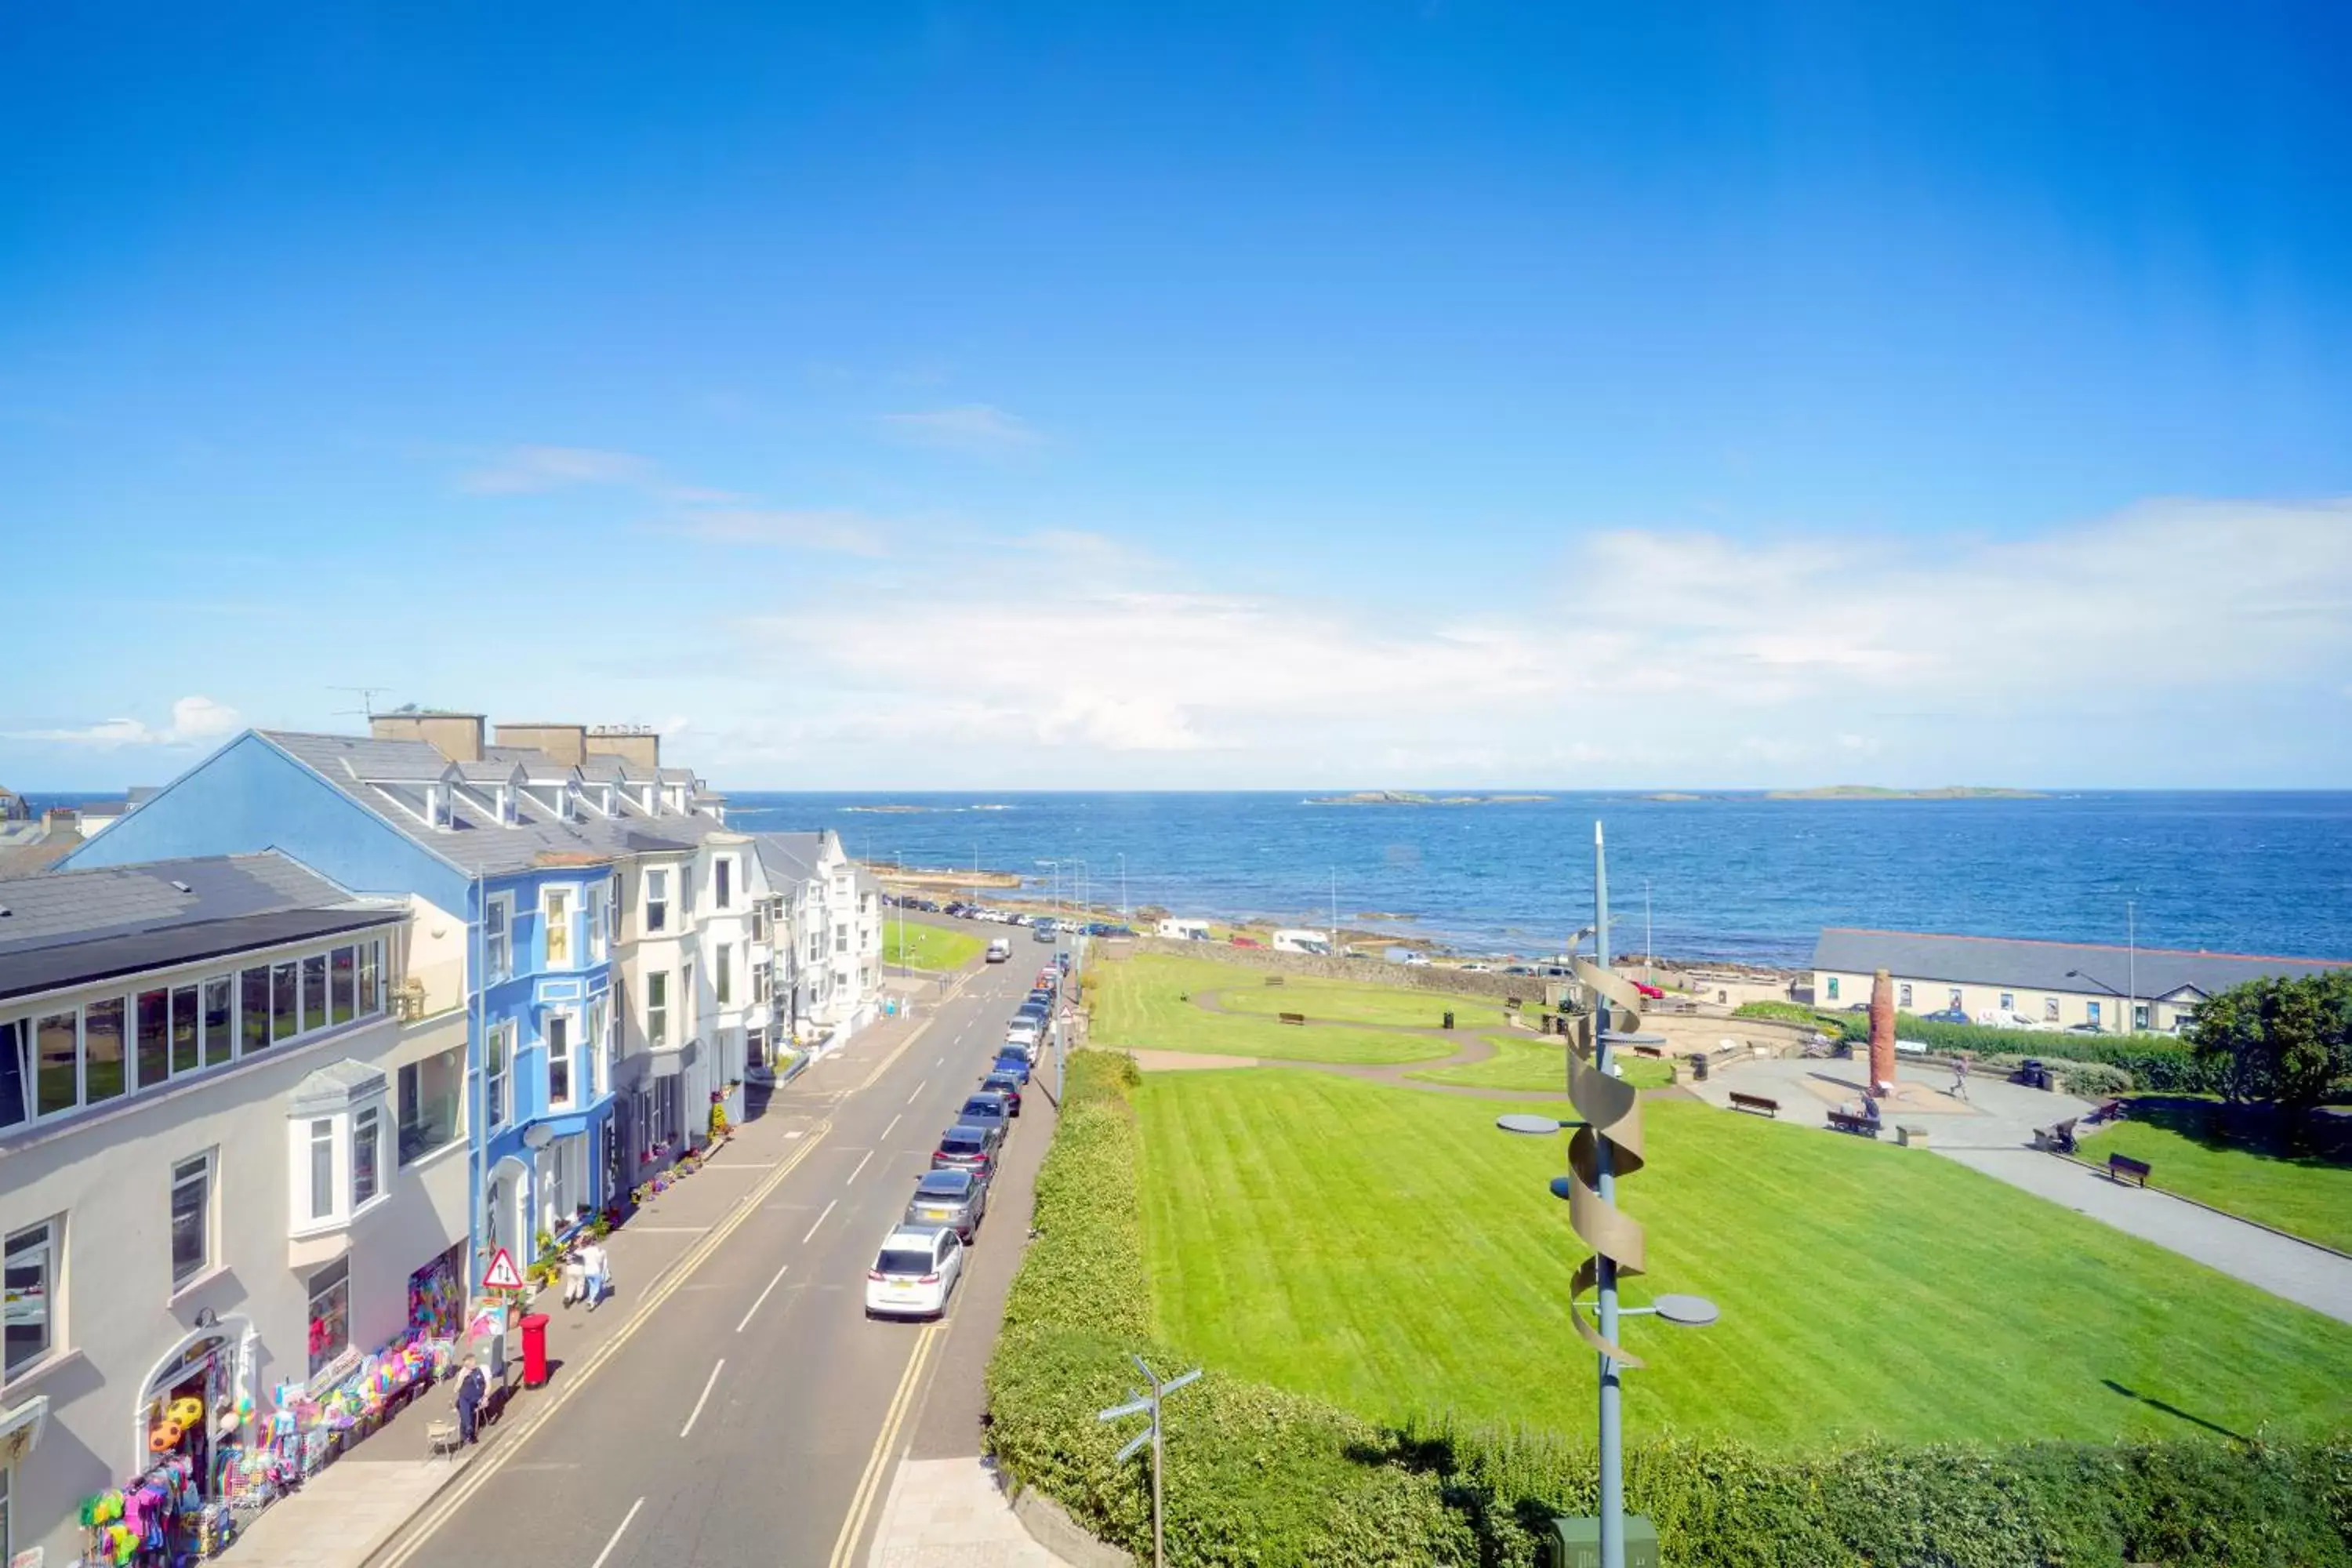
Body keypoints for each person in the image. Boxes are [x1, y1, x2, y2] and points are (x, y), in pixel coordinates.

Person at [454, 1356, 486, 1446]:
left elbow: (488, 1384)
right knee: (463, 1402)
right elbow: (455, 1389)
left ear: (473, 1362)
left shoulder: (481, 1369)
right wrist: (462, 1377)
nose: (467, 1367)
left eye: (468, 1365)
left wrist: (486, 1396)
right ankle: (469, 1430)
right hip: (465, 1397)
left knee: (463, 1406)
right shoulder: (463, 1372)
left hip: (477, 1396)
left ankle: (466, 1433)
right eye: (465, 1365)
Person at [580, 1240, 611, 1309]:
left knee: (592, 1286)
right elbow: (599, 1260)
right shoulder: (595, 1250)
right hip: (595, 1271)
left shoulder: (584, 1252)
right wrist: (603, 1254)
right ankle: (591, 1300)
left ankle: (592, 1301)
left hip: (587, 1272)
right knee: (596, 1287)